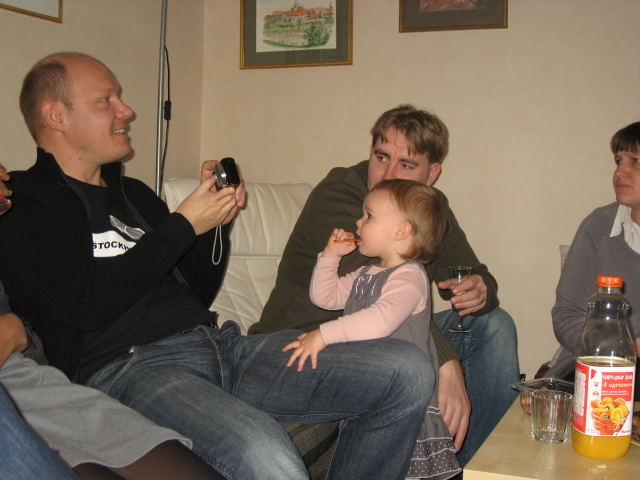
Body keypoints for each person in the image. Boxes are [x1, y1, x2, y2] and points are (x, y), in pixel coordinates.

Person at [0, 52, 435, 480]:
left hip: (220, 345)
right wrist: (184, 224)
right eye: (105, 100)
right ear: (56, 115)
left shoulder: (134, 194)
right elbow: (81, 306)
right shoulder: (23, 203)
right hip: (132, 370)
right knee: (269, 456)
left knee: (407, 370)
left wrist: (215, 224)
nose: (126, 110)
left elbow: (194, 292)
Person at [251, 104, 520, 465]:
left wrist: (479, 288)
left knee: (493, 325)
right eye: (381, 157)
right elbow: (382, 297)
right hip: (306, 339)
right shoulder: (341, 194)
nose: (387, 174)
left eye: (406, 165)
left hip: (376, 340)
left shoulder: (426, 207)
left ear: (431, 174)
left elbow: (467, 273)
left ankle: (486, 469)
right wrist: (446, 362)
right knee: (413, 362)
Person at [283, 179, 461, 480]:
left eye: (369, 216)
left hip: (403, 404)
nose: (358, 222)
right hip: (372, 393)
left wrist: (324, 335)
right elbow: (325, 297)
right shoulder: (366, 273)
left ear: (401, 231)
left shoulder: (410, 276)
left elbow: (380, 319)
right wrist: (330, 256)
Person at [550, 121, 640, 400]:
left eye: (636, 161)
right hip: (596, 366)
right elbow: (567, 315)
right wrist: (621, 347)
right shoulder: (598, 226)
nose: (620, 172)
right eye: (618, 161)